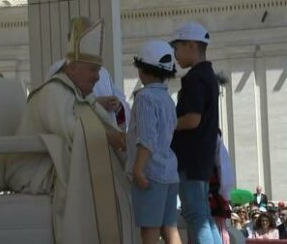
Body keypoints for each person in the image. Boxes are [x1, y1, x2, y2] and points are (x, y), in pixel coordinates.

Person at [5, 16, 137, 244]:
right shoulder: (53, 91)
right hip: (33, 169)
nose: (97, 77)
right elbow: (72, 130)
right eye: (93, 70)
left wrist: (118, 136)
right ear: (73, 67)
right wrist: (109, 136)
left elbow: (100, 122)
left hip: (51, 162)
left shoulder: (77, 93)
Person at [170, 21, 221, 243]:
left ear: (191, 46)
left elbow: (192, 119)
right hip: (202, 157)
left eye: (177, 48)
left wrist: (167, 124)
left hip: (190, 158)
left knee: (195, 215)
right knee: (204, 215)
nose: (175, 54)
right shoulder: (207, 74)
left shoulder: (195, 78)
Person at [126, 40, 181, 244]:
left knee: (149, 230)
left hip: (150, 173)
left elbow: (147, 137)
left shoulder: (144, 98)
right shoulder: (167, 98)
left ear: (142, 70)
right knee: (170, 227)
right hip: (169, 172)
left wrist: (138, 169)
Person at [48, 62, 130, 131]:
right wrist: (96, 105)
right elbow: (57, 112)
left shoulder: (103, 72)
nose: (97, 77)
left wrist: (118, 106)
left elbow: (123, 105)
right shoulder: (60, 69)